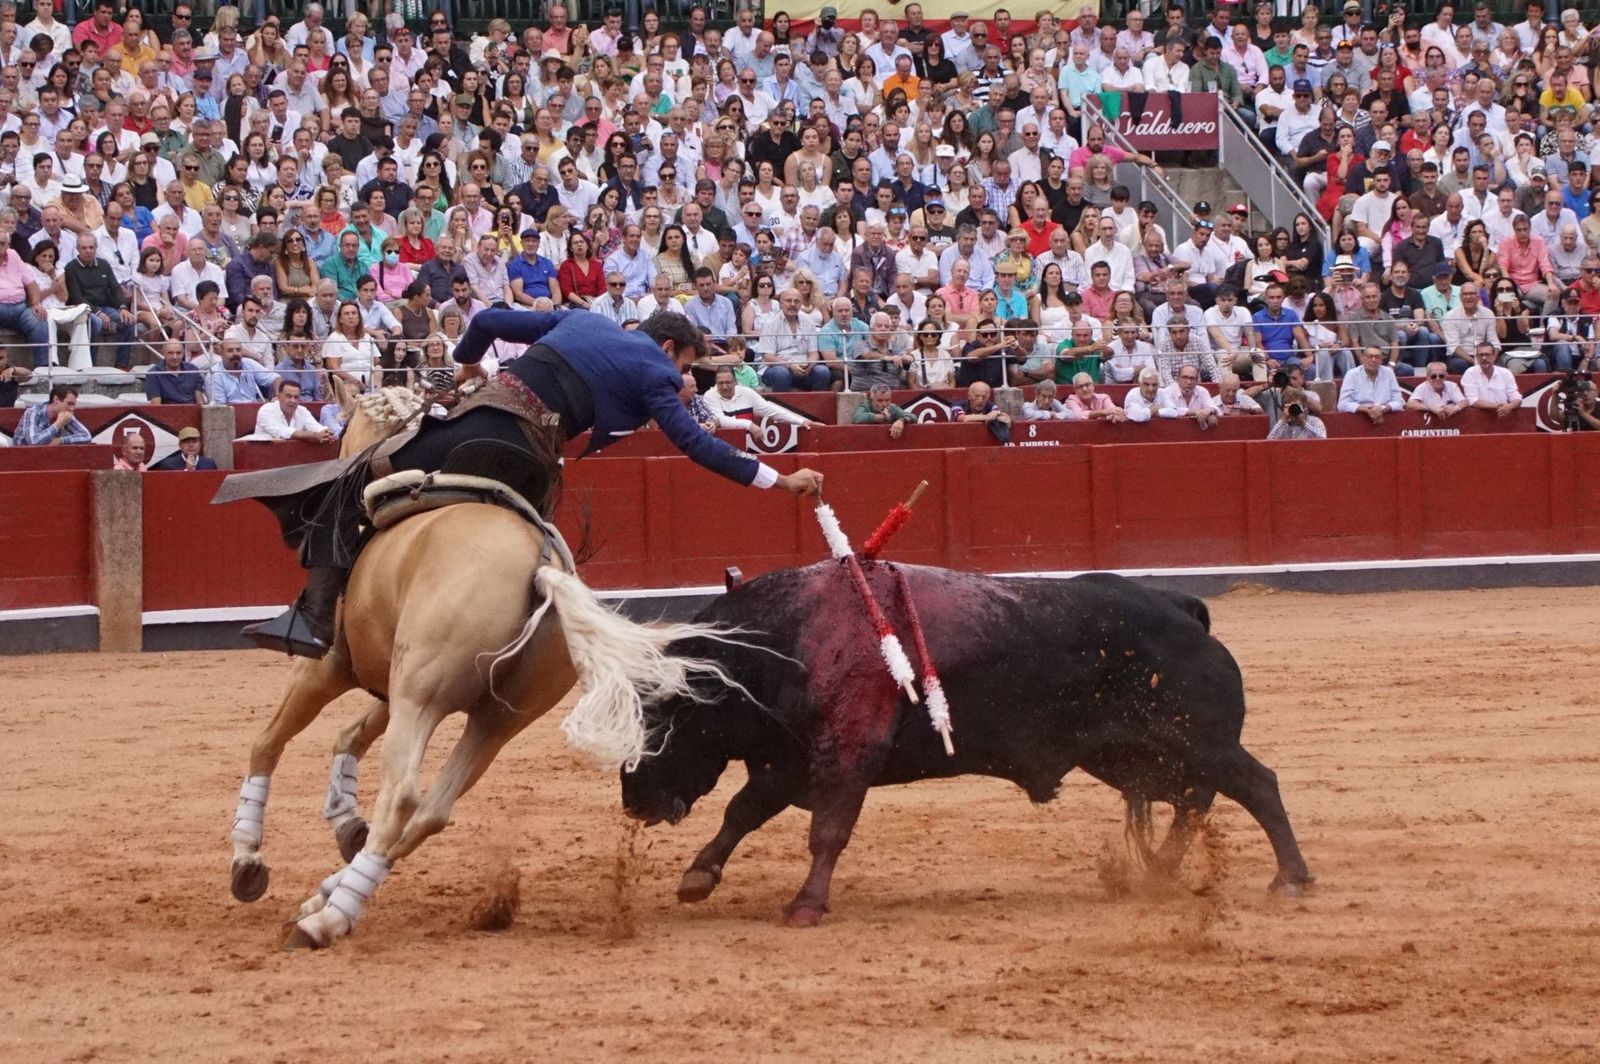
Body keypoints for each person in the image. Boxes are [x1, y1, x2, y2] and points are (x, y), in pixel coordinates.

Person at [241, 311, 826, 657]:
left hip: (485, 432)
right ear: (668, 348)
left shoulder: (585, 320)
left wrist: (469, 366)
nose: (682, 379)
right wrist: (780, 481)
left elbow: (490, 320)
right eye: (684, 366)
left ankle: (315, 618)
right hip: (538, 467)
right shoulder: (654, 372)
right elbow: (696, 444)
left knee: (357, 477)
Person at [1337, 346, 1406, 423]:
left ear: (1381, 360)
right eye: (1370, 356)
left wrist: (1383, 409)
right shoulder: (1352, 374)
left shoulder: (1388, 372)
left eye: (1377, 357)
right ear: (1362, 358)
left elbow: (1399, 402)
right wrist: (1367, 410)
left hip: (1387, 417)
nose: (1373, 360)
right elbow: (1342, 405)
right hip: (1358, 419)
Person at [255, 379, 336, 442]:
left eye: (296, 397)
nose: (293, 401)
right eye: (288, 396)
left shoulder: (302, 410)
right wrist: (315, 436)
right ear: (279, 397)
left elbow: (315, 427)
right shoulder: (266, 410)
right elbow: (282, 432)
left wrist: (326, 433)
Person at [13, 384, 91, 445]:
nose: (72, 408)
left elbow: (86, 436)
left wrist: (61, 440)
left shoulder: (65, 414)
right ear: (56, 399)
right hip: (22, 457)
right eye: (69, 404)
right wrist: (58, 424)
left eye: (73, 405)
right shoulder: (33, 412)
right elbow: (33, 442)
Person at [149, 426, 221, 471]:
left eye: (194, 441)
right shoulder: (168, 465)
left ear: (200, 444)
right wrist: (187, 470)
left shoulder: (209, 464)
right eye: (186, 442)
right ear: (180, 445)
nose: (191, 445)